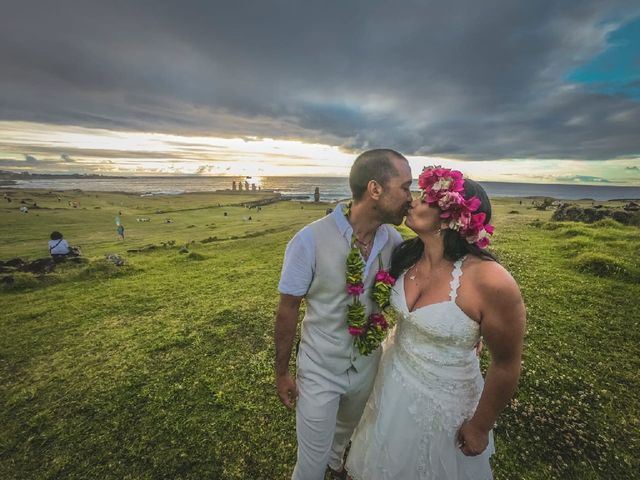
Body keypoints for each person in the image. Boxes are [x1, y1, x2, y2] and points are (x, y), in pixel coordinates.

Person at [346, 166, 526, 480]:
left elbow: (507, 363)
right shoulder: (403, 256)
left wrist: (480, 426)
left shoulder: (491, 281)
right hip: (393, 378)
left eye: (425, 199)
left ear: (453, 215)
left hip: (446, 402)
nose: (412, 202)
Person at [275, 149, 413, 480]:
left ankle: (337, 466)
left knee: (341, 440)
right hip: (320, 368)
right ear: (375, 189)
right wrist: (282, 373)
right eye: (406, 187)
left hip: (367, 366)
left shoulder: (393, 240)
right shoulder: (308, 240)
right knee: (310, 464)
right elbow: (287, 309)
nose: (411, 198)